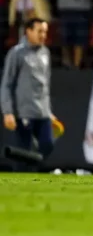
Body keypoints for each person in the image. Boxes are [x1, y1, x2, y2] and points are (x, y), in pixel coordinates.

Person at [1, 19, 56, 170]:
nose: (43, 35)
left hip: (42, 112)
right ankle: (22, 179)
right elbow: (7, 84)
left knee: (48, 144)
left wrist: (49, 111)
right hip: (23, 112)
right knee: (23, 151)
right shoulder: (17, 53)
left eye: (45, 31)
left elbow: (45, 85)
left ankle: (31, 169)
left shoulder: (45, 52)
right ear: (28, 31)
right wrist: (8, 112)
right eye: (40, 31)